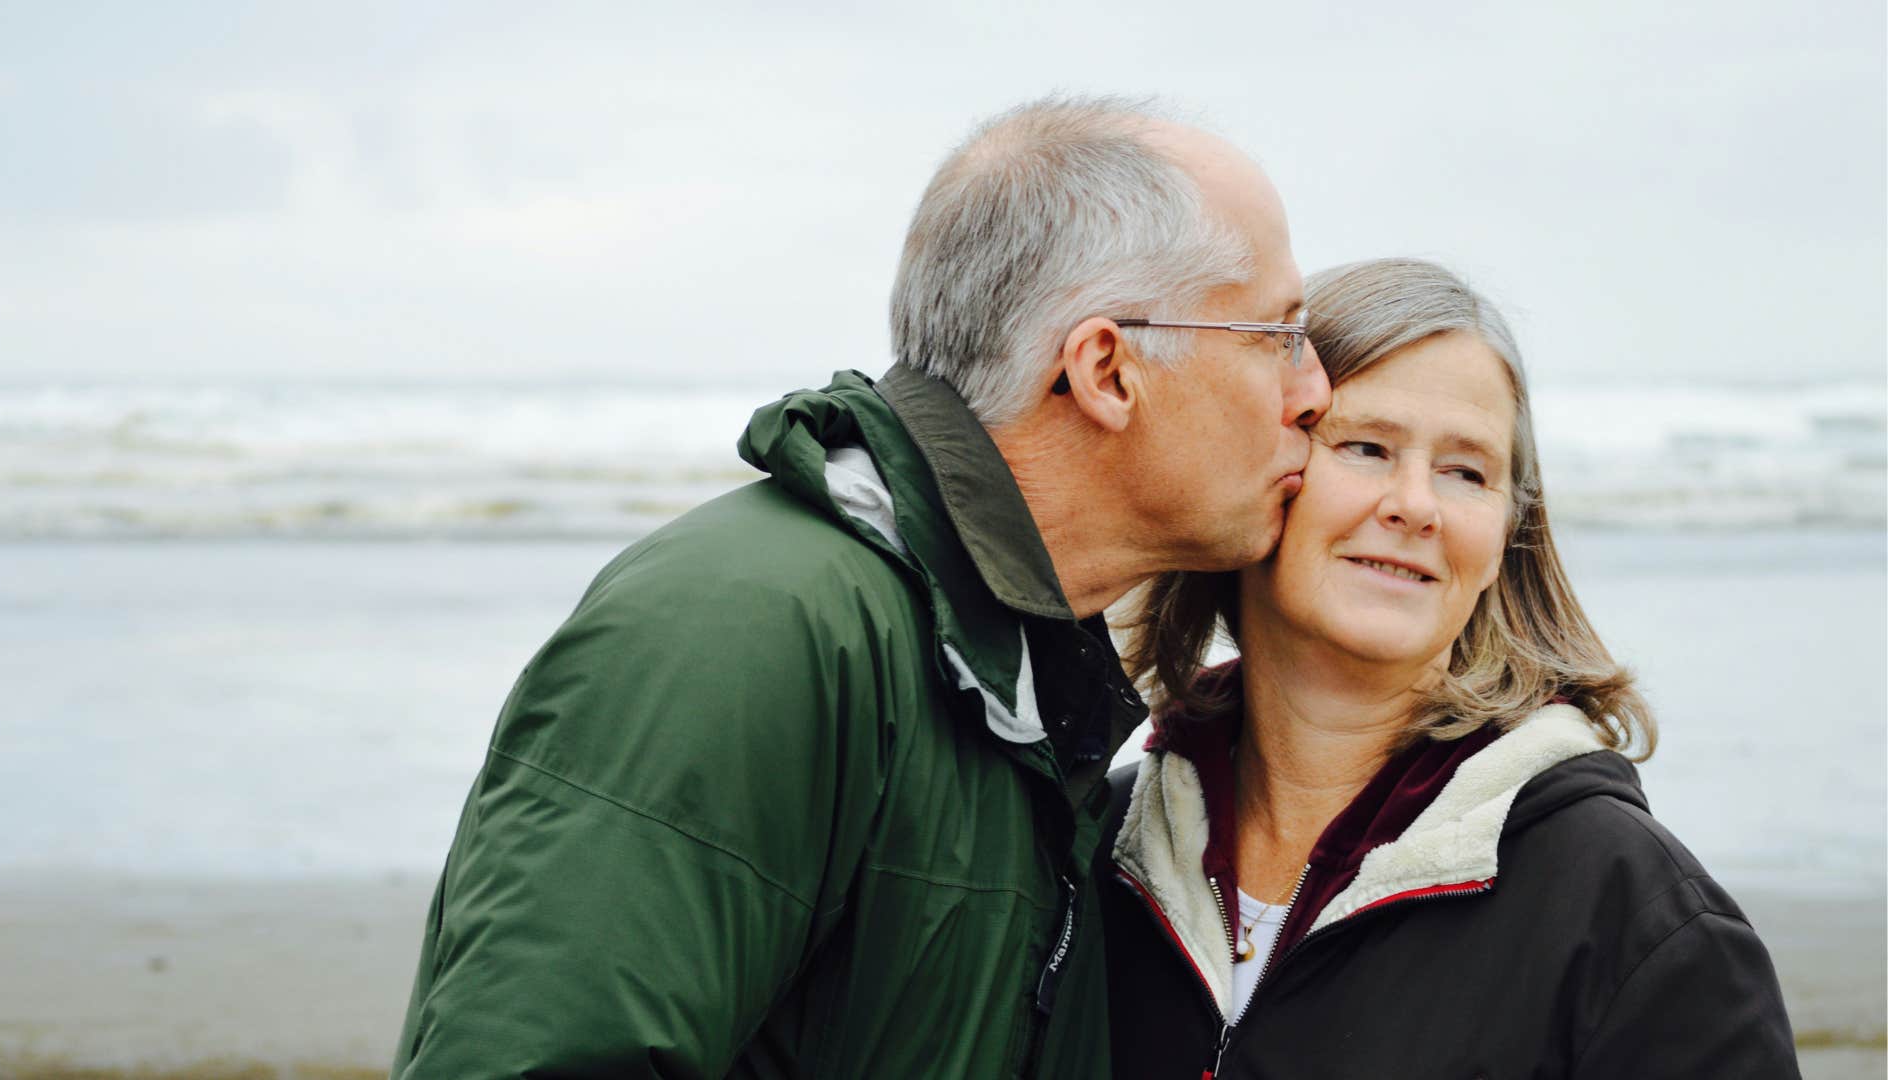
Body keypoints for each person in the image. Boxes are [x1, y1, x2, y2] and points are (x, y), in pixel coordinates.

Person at [390, 96, 1330, 1078]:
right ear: (1107, 370)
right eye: (1278, 335)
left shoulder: (1014, 671)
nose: (1315, 391)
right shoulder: (747, 629)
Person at [1099, 258, 1798, 1078]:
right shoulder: (1101, 851)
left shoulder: (1636, 916)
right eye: (1364, 447)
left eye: (1466, 471)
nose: (1416, 505)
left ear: (1507, 536)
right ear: (1262, 470)